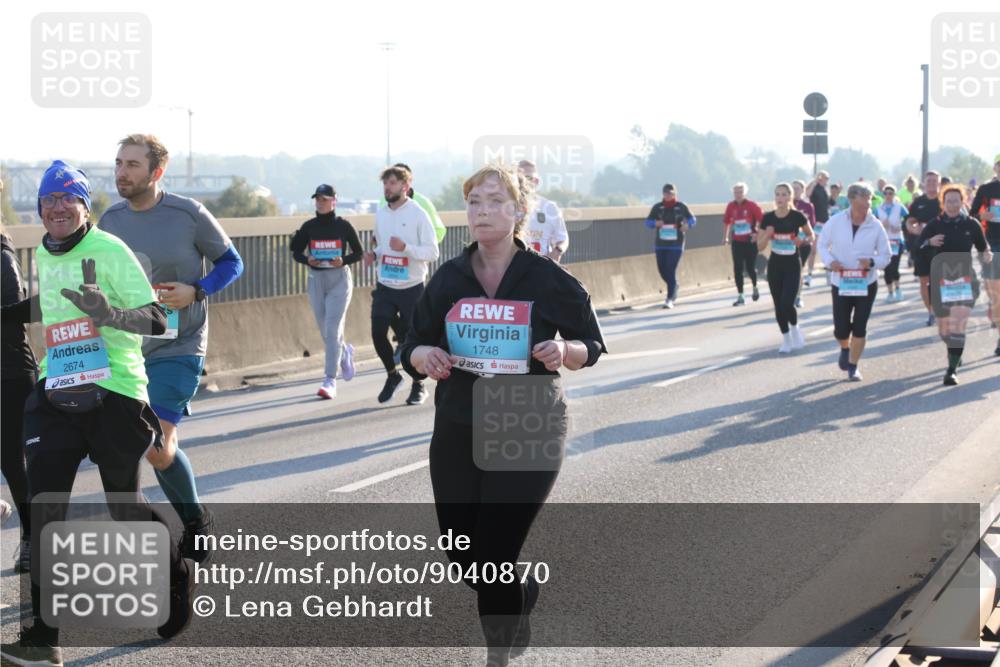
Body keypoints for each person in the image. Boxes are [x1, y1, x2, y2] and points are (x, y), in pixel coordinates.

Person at [401, 164, 605, 666]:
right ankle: (522, 587)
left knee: (493, 555)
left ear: (518, 212)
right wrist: (424, 357)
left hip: (528, 421)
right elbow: (413, 342)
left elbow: (591, 343)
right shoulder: (449, 278)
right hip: (458, 426)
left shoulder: (546, 278)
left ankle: (499, 657)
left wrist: (565, 351)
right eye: (474, 202)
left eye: (496, 201)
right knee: (463, 555)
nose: (483, 211)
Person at [0, 161, 194, 667]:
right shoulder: (45, 248)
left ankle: (173, 572)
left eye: (68, 198)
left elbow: (158, 317)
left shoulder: (109, 249)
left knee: (124, 511)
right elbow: (56, 305)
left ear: (85, 205)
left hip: (115, 394)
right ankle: (43, 639)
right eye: (48, 200)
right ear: (39, 209)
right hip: (57, 395)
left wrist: (109, 314)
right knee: (45, 513)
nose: (57, 208)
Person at [101, 134, 244, 563]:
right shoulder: (109, 221)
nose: (121, 172)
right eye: (119, 163)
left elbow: (232, 263)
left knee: (157, 445)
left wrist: (196, 290)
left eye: (132, 165)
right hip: (128, 348)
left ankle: (195, 519)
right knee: (131, 443)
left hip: (179, 344)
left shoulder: (188, 213)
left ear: (156, 172)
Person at [365, 166, 439, 405]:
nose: (388, 188)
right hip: (386, 283)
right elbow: (384, 246)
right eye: (385, 184)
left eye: (393, 183)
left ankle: (418, 386)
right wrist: (374, 255)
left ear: (405, 187)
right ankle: (392, 375)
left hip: (411, 286)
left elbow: (433, 252)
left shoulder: (418, 214)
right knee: (378, 331)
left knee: (411, 338)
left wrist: (406, 248)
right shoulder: (381, 213)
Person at [289, 184, 363, 398]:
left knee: (331, 328)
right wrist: (307, 259)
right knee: (325, 330)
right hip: (316, 280)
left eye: (324, 199)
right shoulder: (309, 226)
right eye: (318, 199)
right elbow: (296, 251)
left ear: (334, 201)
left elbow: (358, 253)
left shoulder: (344, 226)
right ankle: (344, 352)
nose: (320, 202)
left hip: (339, 280)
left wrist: (344, 260)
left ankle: (330, 380)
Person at [918, 184, 991, 385]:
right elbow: (919, 248)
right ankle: (956, 355)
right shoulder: (934, 225)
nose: (952, 204)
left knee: (958, 325)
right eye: (948, 201)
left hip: (965, 280)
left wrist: (987, 255)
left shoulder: (971, 224)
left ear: (962, 202)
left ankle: (951, 370)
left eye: (956, 201)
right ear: (943, 202)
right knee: (944, 331)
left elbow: (983, 248)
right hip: (940, 280)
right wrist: (930, 242)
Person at [818, 182, 891, 381]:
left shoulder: (875, 225)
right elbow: (822, 244)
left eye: (870, 199)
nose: (869, 202)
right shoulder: (836, 221)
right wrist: (830, 261)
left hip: (866, 283)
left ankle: (853, 365)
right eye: (865, 198)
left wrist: (872, 262)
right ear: (852, 199)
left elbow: (886, 256)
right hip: (841, 282)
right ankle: (845, 347)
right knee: (841, 328)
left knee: (860, 326)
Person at [1, 223, 38, 573]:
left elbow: (13, 316)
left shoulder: (3, 258)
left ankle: (33, 538)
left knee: (14, 462)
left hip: (9, 374)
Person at [758, 183, 814, 353]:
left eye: (783, 194)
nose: (780, 198)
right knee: (777, 304)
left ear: (789, 197)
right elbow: (759, 247)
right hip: (775, 265)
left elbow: (811, 235)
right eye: (777, 194)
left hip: (792, 264)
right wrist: (767, 235)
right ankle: (786, 338)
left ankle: (795, 329)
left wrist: (802, 241)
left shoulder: (797, 216)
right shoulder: (768, 218)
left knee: (787, 303)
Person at [644, 183, 696, 309]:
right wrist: (656, 223)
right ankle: (674, 286)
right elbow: (647, 222)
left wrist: (687, 225)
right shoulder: (658, 207)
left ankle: (669, 298)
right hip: (661, 244)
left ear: (675, 194)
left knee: (670, 269)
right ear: (663, 194)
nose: (668, 195)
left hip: (676, 244)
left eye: (671, 193)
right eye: (666, 193)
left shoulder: (681, 206)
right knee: (662, 271)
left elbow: (693, 219)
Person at [970, 154, 1000, 355]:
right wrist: (983, 215)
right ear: (995, 167)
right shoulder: (986, 189)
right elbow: (971, 213)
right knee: (995, 294)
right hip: (993, 242)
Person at [906, 171, 943, 326]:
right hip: (921, 247)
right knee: (923, 281)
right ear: (924, 183)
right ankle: (931, 312)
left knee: (938, 281)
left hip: (941, 247)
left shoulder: (944, 200)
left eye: (934, 181)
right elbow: (909, 221)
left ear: (939, 183)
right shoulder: (918, 202)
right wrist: (915, 230)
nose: (932, 184)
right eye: (929, 181)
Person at [518, 160, 569, 262]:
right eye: (520, 178)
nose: (524, 182)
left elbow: (563, 239)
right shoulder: (505, 207)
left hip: (543, 268)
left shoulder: (550, 207)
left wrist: (557, 251)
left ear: (536, 181)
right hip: (515, 269)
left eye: (528, 178)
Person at [722, 182, 763, 305]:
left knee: (750, 268)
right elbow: (726, 222)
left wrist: (758, 235)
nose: (738, 195)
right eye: (736, 192)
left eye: (740, 192)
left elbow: (762, 220)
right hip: (737, 242)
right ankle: (741, 296)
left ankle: (755, 287)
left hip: (750, 241)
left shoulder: (752, 205)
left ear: (745, 193)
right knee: (737, 268)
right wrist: (725, 237)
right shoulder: (731, 206)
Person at [874, 184, 909, 302]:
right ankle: (890, 292)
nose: (888, 195)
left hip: (897, 240)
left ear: (894, 195)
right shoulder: (878, 208)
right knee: (886, 268)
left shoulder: (899, 207)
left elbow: (909, 220)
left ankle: (898, 289)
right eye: (886, 193)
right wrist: (880, 225)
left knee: (894, 266)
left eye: (891, 193)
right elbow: (872, 223)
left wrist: (900, 227)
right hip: (883, 241)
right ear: (883, 195)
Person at [791, 180, 816, 306]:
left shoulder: (808, 206)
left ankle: (798, 296)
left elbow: (812, 225)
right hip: (788, 244)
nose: (795, 191)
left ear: (802, 190)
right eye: (793, 188)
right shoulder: (787, 206)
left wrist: (806, 238)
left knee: (799, 270)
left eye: (797, 189)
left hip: (804, 244)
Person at [805, 171, 831, 285]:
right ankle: (809, 274)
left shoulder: (825, 190)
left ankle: (830, 275)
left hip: (826, 221)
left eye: (827, 178)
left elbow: (829, 203)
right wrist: (815, 181)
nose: (825, 180)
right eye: (824, 177)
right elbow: (808, 194)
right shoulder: (814, 187)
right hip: (816, 223)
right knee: (813, 250)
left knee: (829, 248)